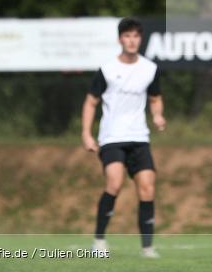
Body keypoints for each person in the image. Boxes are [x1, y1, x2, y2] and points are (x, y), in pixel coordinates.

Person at [81, 17, 165, 259]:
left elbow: (155, 98)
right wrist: (86, 134)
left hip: (139, 137)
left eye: (136, 36)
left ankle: (147, 248)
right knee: (114, 184)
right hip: (112, 137)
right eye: (127, 36)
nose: (132, 40)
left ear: (140, 39)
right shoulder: (107, 69)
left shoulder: (150, 69)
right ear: (120, 39)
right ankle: (98, 240)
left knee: (147, 189)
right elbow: (91, 102)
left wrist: (157, 115)